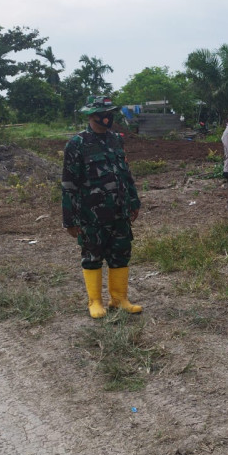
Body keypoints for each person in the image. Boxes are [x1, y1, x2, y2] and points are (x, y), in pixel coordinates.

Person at [62, 95, 142, 318]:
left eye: (110, 113)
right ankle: (95, 301)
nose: (108, 117)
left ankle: (119, 299)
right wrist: (69, 219)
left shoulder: (116, 139)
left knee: (121, 253)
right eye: (104, 114)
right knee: (92, 255)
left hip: (119, 211)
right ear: (92, 115)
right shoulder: (76, 144)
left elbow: (125, 174)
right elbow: (68, 184)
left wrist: (133, 202)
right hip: (91, 214)